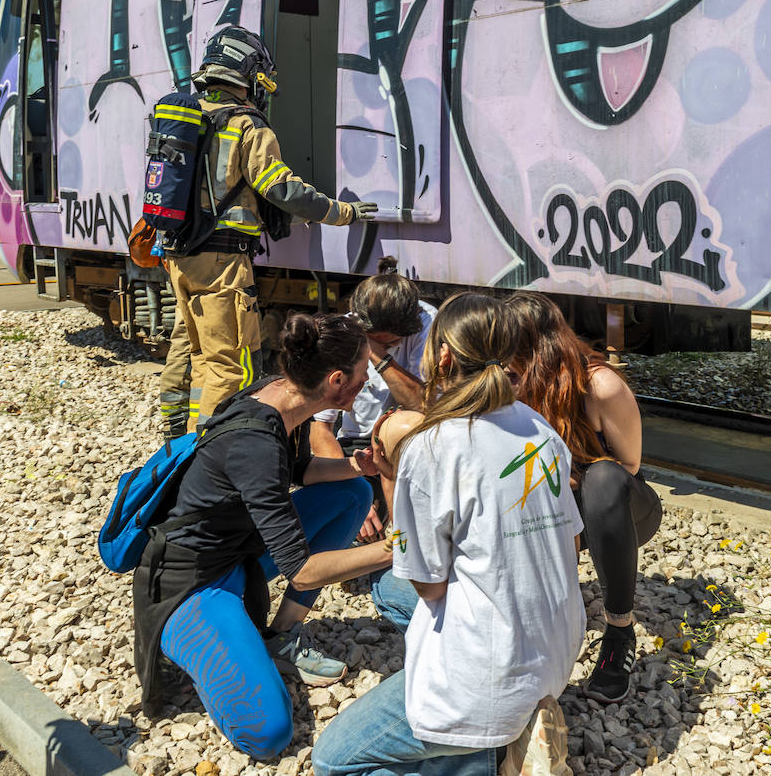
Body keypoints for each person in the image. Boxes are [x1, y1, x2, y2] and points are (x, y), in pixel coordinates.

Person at [313, 292, 585, 776]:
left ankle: (485, 755)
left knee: (333, 761)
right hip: (555, 655)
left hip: (488, 678)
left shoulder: (435, 447)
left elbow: (430, 583)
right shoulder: (542, 430)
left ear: (443, 356)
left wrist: (391, 476)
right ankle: (509, 730)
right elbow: (570, 546)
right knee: (388, 590)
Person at [133, 312, 398, 759]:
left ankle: (279, 637)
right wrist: (398, 550)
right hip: (191, 581)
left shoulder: (277, 394)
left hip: (238, 553)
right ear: (336, 380)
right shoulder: (255, 442)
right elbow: (305, 569)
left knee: (351, 493)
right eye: (362, 372)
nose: (368, 380)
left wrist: (357, 465)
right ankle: (186, 641)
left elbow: (297, 470)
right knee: (268, 733)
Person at [161, 26, 379, 432]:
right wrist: (341, 212)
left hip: (182, 257)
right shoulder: (246, 125)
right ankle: (216, 452)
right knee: (233, 367)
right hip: (222, 262)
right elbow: (281, 189)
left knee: (198, 355)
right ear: (247, 74)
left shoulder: (193, 118)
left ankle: (181, 437)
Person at [504, 291, 662, 705]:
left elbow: (629, 465)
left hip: (619, 511)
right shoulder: (510, 384)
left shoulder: (599, 385)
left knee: (602, 477)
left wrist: (566, 475)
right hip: (559, 505)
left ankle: (619, 629)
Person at [311, 256, 435, 539]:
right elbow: (320, 428)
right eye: (384, 340)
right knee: (347, 516)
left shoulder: (426, 322)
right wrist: (352, 485)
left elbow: (422, 405)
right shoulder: (341, 332)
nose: (395, 347)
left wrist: (377, 353)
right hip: (359, 448)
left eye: (394, 342)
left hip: (410, 441)